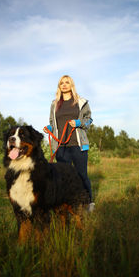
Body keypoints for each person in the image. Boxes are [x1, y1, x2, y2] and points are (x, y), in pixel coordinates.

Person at [43, 75, 95, 211]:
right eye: (61, 83)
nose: (64, 85)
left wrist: (79, 123)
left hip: (78, 145)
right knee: (64, 177)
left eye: (67, 82)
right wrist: (49, 129)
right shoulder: (54, 104)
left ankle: (89, 203)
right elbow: (52, 123)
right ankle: (68, 205)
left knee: (81, 174)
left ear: (71, 85)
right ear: (59, 86)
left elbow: (89, 120)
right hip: (61, 147)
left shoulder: (81, 101)